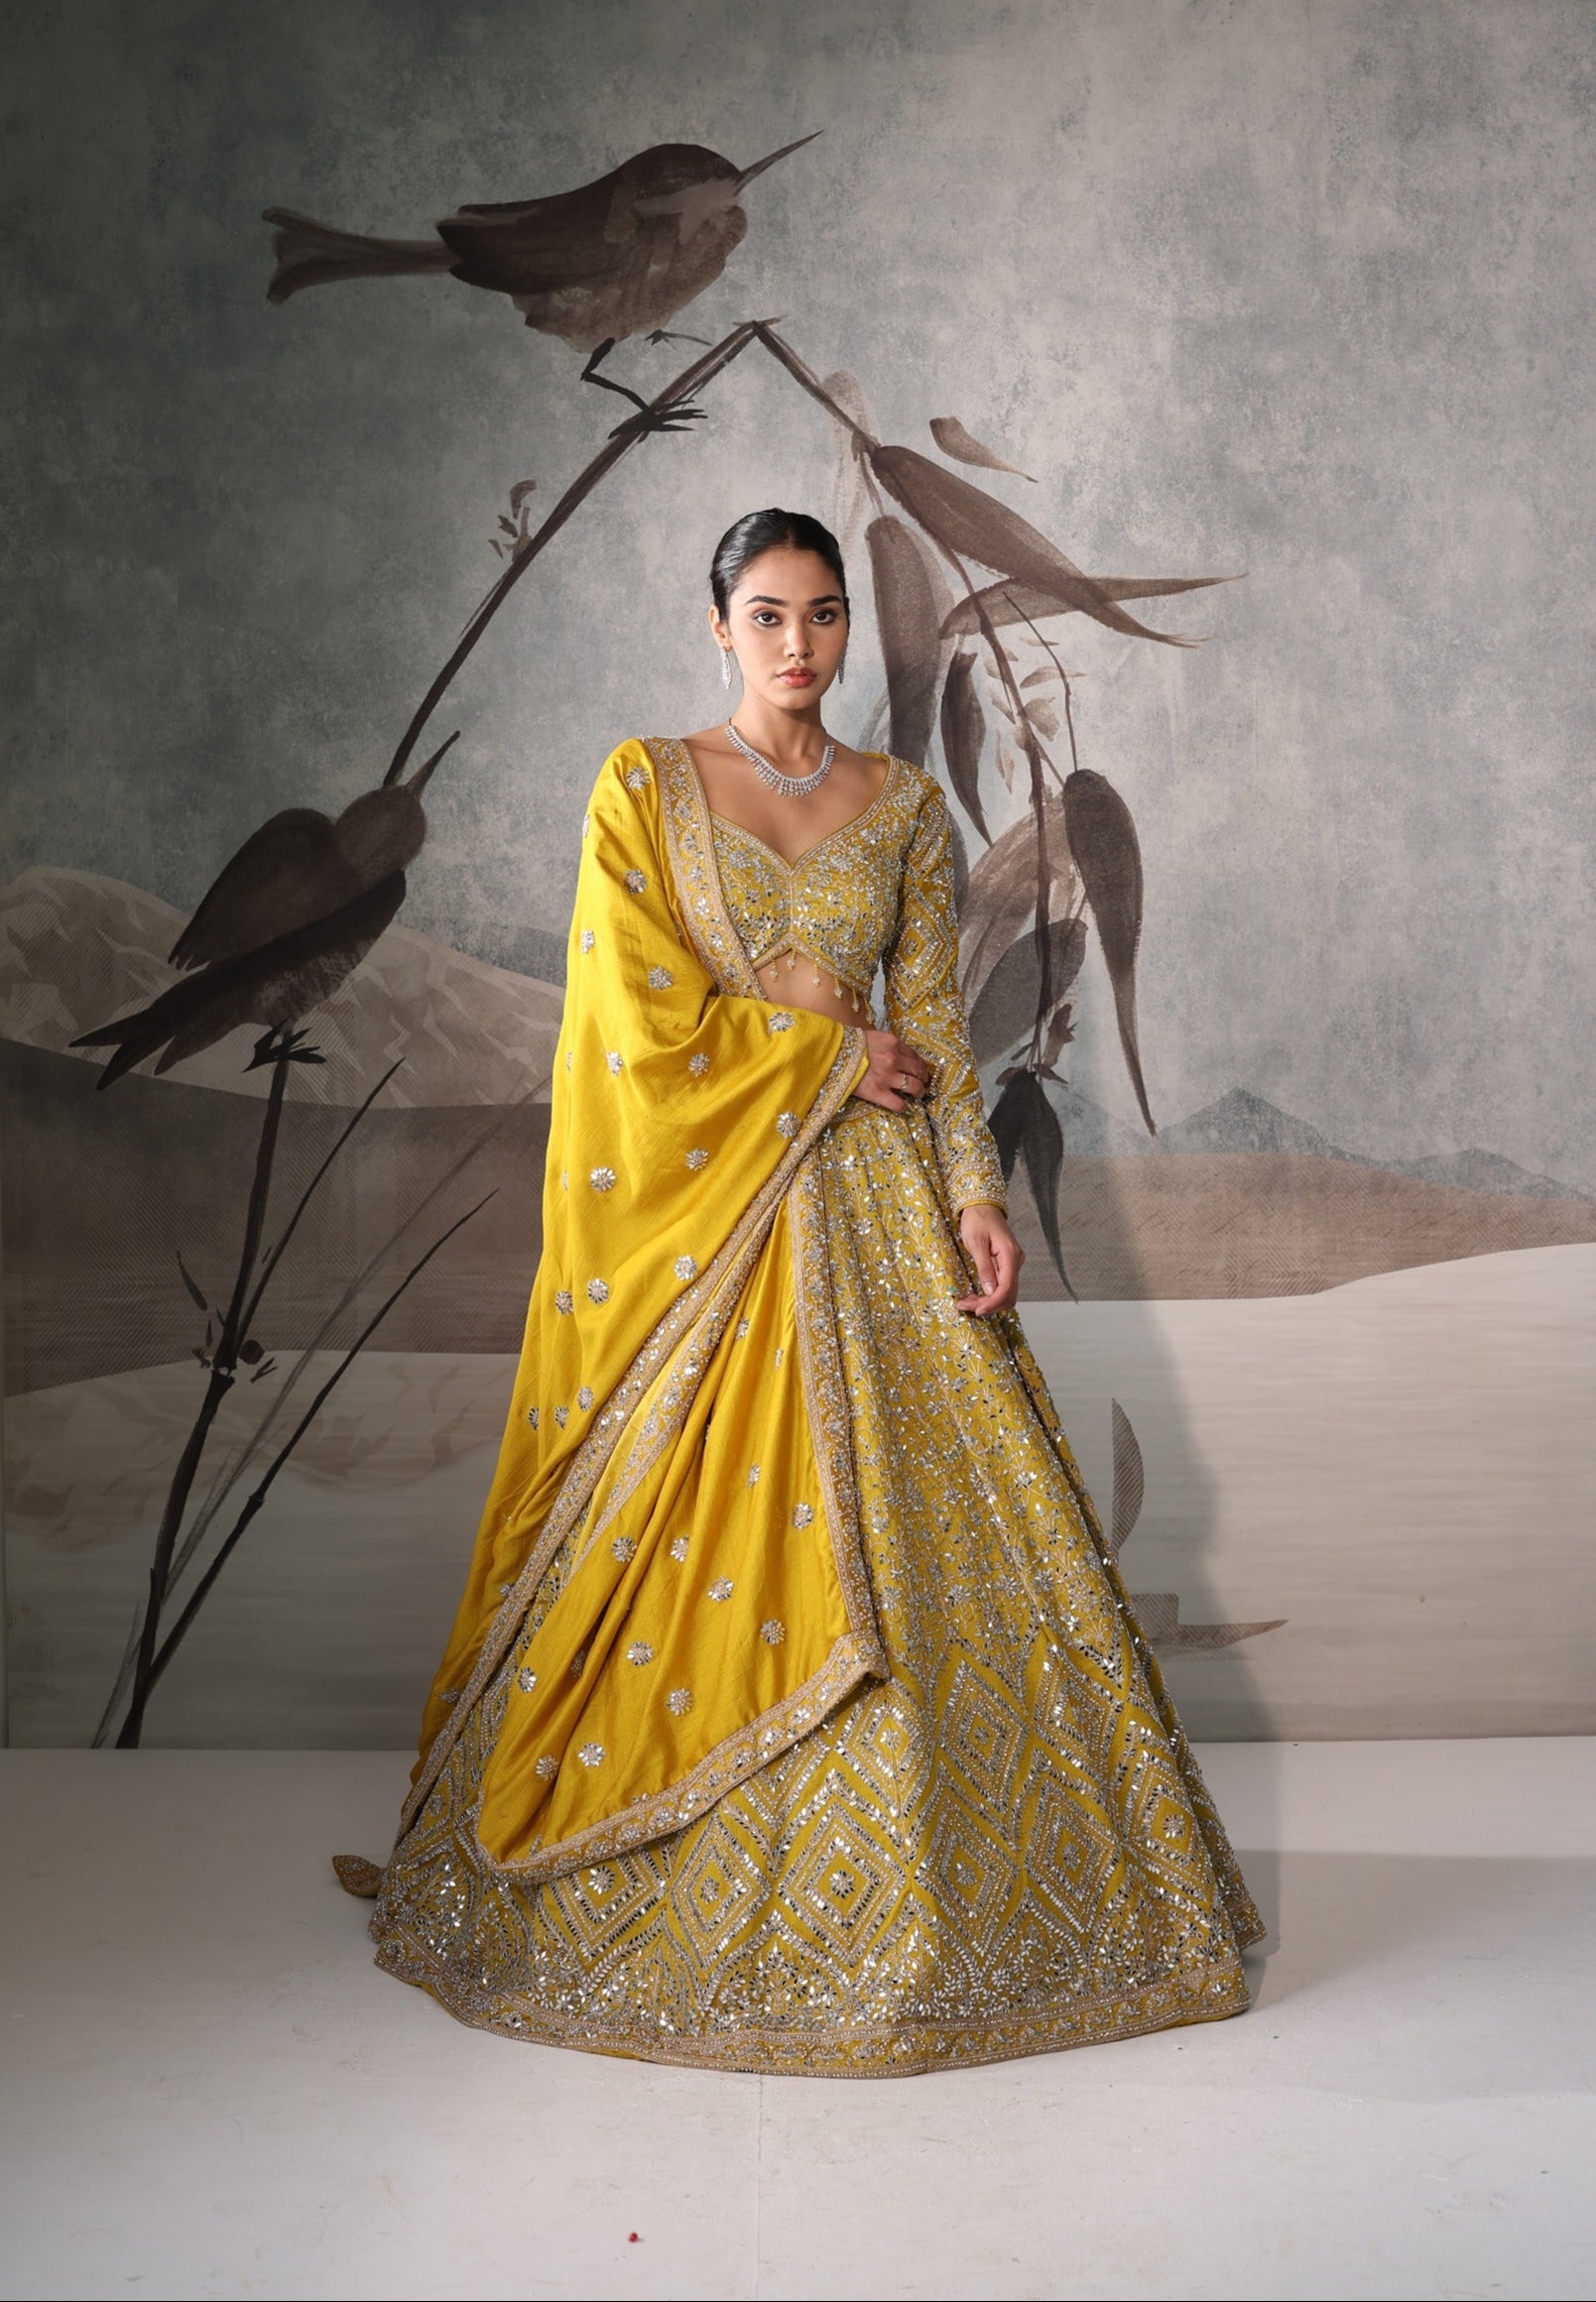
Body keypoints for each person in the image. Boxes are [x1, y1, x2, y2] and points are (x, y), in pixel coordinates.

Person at [336, 507, 1266, 2076]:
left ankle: (970, 1914)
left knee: (941, 1537)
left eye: (823, 613)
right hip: (714, 1228)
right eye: (765, 614)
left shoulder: (902, 805)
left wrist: (975, 1194)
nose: (797, 642)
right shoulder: (643, 787)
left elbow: (933, 1029)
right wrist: (818, 1050)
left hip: (880, 1211)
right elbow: (631, 1025)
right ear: (717, 626)